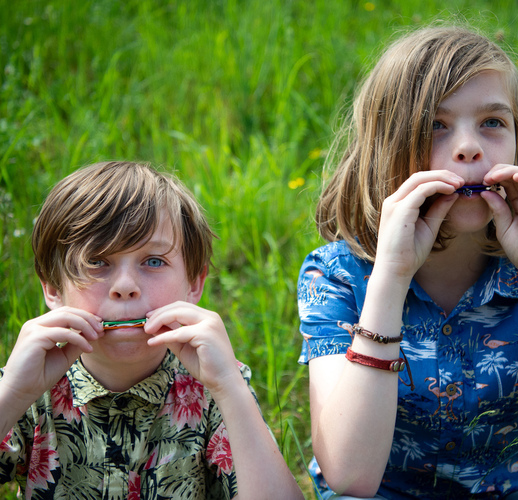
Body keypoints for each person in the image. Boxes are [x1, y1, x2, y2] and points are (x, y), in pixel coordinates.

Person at [297, 25, 518, 499]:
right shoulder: (337, 274)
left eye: (492, 122)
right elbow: (349, 476)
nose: (469, 147)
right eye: (435, 126)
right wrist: (391, 277)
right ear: (386, 148)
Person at [0, 161, 304, 499]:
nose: (126, 286)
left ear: (194, 283)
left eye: (154, 261)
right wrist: (11, 394)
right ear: (54, 289)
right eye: (97, 262)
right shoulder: (25, 386)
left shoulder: (217, 388)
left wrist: (231, 389)